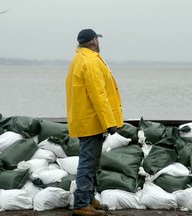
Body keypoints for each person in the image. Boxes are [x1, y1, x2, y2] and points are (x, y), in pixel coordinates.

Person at [66, 29, 124, 216]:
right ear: (93, 41)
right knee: (87, 162)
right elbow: (98, 95)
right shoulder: (90, 61)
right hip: (91, 120)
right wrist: (110, 122)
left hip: (86, 119)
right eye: (97, 39)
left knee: (92, 162)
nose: (99, 41)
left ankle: (89, 198)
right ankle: (82, 204)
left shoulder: (80, 58)